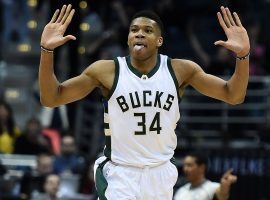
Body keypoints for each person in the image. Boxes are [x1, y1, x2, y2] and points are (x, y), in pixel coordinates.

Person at [38, 4, 250, 200]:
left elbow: (233, 95)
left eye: (147, 30)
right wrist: (47, 52)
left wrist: (243, 56)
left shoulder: (181, 70)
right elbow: (51, 98)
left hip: (161, 172)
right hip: (120, 172)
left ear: (159, 40)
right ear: (129, 38)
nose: (139, 33)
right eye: (134, 29)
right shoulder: (106, 71)